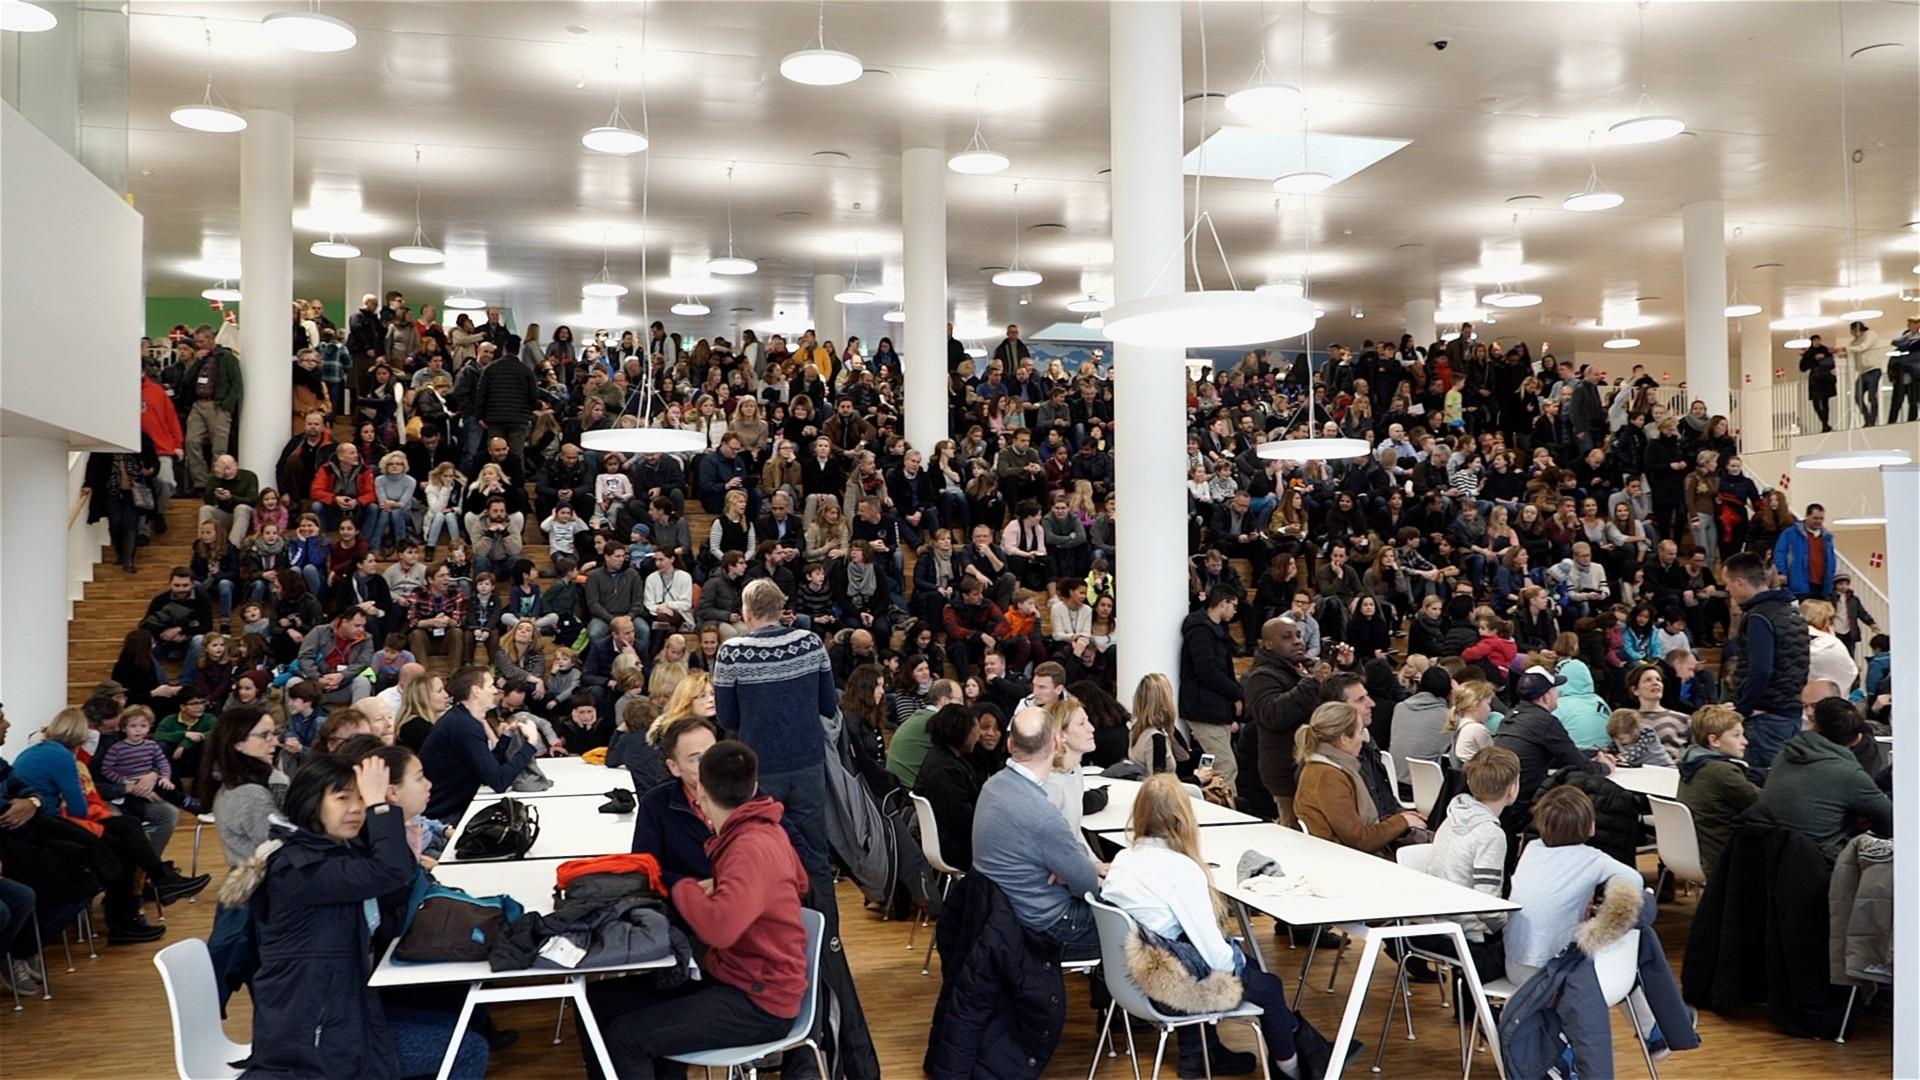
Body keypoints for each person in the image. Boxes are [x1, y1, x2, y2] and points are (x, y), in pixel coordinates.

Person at [227, 753, 487, 1080]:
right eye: (342, 798)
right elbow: (391, 871)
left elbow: (399, 878)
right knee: (468, 1048)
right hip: (313, 1039)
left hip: (336, 1011)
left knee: (463, 1019)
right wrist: (381, 805)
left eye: (359, 798)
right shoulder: (300, 869)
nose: (355, 808)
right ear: (311, 803)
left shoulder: (328, 851)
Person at [587, 740, 809, 1080]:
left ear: (701, 791)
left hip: (759, 1001)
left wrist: (684, 888)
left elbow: (719, 929)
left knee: (625, 1038)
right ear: (753, 786)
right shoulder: (765, 830)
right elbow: (800, 883)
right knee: (598, 1000)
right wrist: (724, 887)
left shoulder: (749, 846)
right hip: (736, 976)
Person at [1100, 775, 1301, 1079]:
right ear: (1185, 818)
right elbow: (1213, 957)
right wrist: (1235, 955)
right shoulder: (1181, 869)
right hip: (1174, 987)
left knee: (1219, 955)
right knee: (1269, 987)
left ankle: (1202, 1053)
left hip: (1135, 978)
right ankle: (1293, 1071)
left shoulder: (1123, 860)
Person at [712, 579, 838, 895]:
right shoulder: (811, 643)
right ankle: (827, 940)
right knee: (814, 856)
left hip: (759, 769)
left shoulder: (732, 652)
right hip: (808, 763)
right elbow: (828, 705)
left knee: (763, 856)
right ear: (781, 608)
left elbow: (727, 719)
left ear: (747, 611)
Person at [969, 707, 1104, 960]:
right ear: (1055, 742)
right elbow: (1087, 887)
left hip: (1002, 916)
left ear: (1010, 744)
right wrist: (1074, 872)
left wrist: (1068, 871)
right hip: (1047, 925)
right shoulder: (1043, 813)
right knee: (1143, 924)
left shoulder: (992, 788)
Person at [1503, 785, 1644, 985]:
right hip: (1554, 973)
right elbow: (1636, 881)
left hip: (1513, 965)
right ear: (1591, 826)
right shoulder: (1592, 859)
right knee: (1645, 916)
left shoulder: (1531, 848)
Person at [1425, 747, 1521, 982]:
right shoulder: (1490, 834)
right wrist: (1507, 925)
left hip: (1436, 920)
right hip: (1468, 934)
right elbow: (1487, 904)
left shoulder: (1454, 815)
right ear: (1512, 788)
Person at [1755, 698, 1893, 863]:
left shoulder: (1784, 756)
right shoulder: (1848, 773)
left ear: (1815, 725)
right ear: (1857, 738)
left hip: (1768, 859)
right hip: (1821, 865)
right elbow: (1890, 823)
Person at [1294, 701, 1424, 855]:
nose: (1363, 739)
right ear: (1344, 738)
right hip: (1347, 862)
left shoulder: (1329, 767)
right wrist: (1403, 821)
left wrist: (1400, 819)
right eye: (1360, 731)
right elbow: (1360, 840)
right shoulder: (1328, 776)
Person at [1491, 668, 1613, 833]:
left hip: (1503, 803)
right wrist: (1606, 767)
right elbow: (1584, 767)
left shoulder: (1512, 716)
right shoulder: (1545, 722)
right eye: (1555, 689)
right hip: (1525, 807)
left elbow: (1557, 753)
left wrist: (1592, 754)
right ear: (1546, 696)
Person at [417, 666, 538, 824]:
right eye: (490, 686)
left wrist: (506, 737)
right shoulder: (464, 726)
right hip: (443, 818)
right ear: (476, 691)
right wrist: (531, 744)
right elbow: (499, 781)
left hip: (449, 809)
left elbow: (488, 769)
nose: (495, 691)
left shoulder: (461, 719)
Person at [1242, 617, 1330, 827]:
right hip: (1286, 772)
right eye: (1287, 637)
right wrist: (1312, 683)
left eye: (1299, 635)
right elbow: (1272, 715)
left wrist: (1348, 666)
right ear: (1268, 644)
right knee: (1294, 833)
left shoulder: (1307, 668)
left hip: (1316, 767)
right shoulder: (1259, 677)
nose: (1297, 641)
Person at [1723, 552, 1807, 769]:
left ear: (1740, 582)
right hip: (1791, 712)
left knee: (1762, 783)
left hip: (1766, 718)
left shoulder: (1759, 617)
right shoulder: (1792, 612)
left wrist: (1743, 708)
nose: (1727, 590)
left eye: (1728, 584)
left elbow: (1760, 670)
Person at [1674, 705, 1758, 882]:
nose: (1745, 741)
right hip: (1720, 857)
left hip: (1695, 853)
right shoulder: (1721, 772)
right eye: (1736, 735)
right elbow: (1765, 803)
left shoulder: (1690, 764)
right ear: (1714, 741)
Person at [1178, 585, 1244, 796]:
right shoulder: (1200, 632)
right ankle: (1228, 812)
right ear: (1223, 603)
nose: (1235, 611)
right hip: (1203, 708)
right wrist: (1236, 692)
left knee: (1216, 766)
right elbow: (1207, 671)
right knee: (1226, 766)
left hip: (1212, 707)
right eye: (1233, 605)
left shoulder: (1212, 630)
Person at [912, 704, 985, 869]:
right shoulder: (946, 771)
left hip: (948, 839)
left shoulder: (942, 757)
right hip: (955, 847)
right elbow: (962, 820)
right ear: (960, 732)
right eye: (975, 729)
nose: (978, 736)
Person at [885, 678, 959, 790]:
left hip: (900, 788)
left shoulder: (921, 716)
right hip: (910, 792)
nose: (963, 706)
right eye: (960, 700)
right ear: (945, 701)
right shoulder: (937, 723)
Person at [1387, 666, 1454, 788]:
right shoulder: (1450, 719)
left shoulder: (1400, 708)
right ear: (1449, 691)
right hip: (1425, 788)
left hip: (1393, 782)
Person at [1772, 502, 1836, 600]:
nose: (1819, 521)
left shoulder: (1827, 537)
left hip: (1822, 586)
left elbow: (1831, 559)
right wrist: (1782, 572)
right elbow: (1780, 553)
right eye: (1815, 518)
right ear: (1807, 516)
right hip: (1799, 584)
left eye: (1821, 519)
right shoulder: (1790, 533)